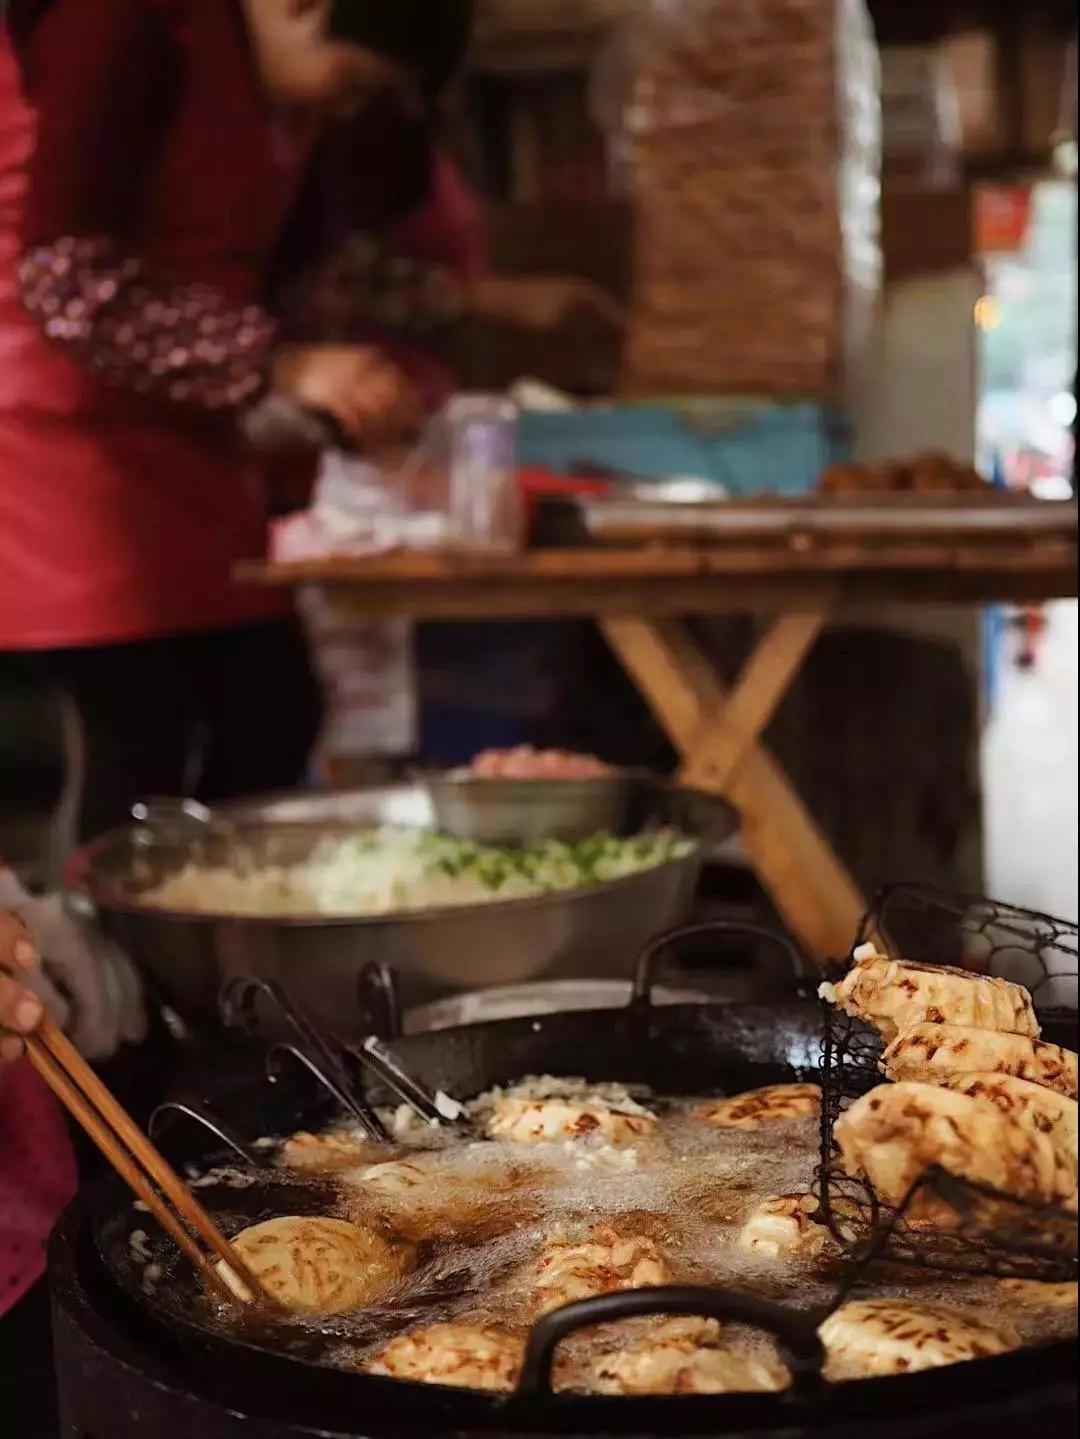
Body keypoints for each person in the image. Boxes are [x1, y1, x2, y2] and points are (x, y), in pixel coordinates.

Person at [0, 0, 470, 845]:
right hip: (46, 431)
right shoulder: (121, 21)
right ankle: (96, 970)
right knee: (130, 740)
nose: (342, 111)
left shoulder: (266, 83)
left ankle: (206, 960)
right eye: (353, 82)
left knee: (272, 708)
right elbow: (66, 275)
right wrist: (282, 367)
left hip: (182, 431)